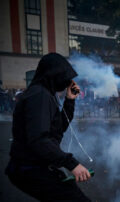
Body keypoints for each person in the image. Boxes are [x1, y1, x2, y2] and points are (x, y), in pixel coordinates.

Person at [5, 53, 91, 201]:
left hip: (35, 166)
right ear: (53, 74)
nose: (66, 82)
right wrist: (72, 164)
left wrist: (70, 100)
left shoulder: (45, 94)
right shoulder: (39, 95)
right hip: (30, 168)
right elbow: (39, 139)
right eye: (63, 77)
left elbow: (58, 129)